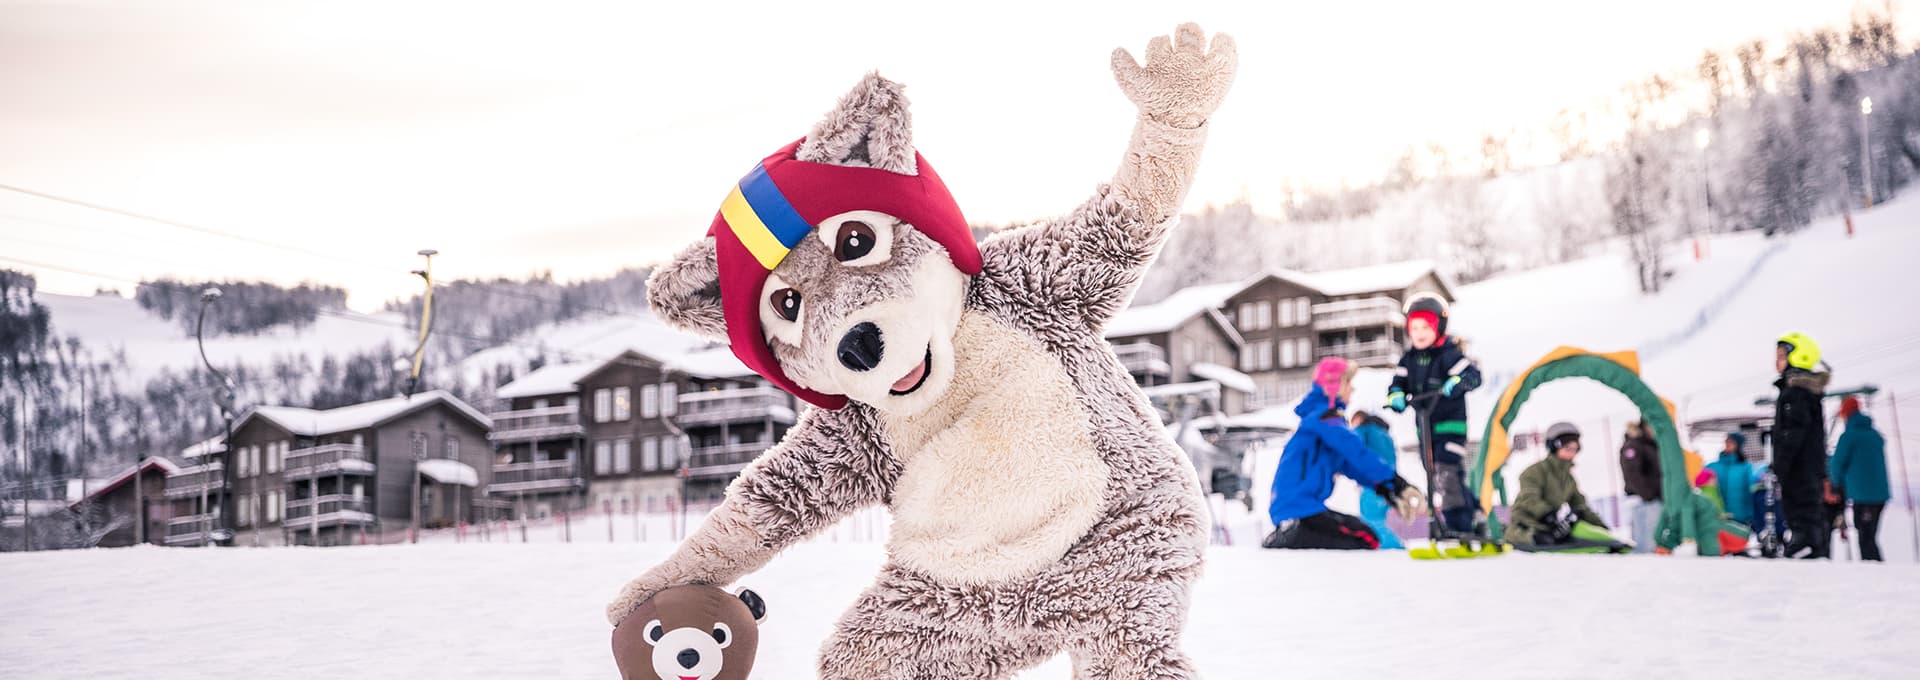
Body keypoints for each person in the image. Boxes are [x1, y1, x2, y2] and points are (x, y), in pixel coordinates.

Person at [1266, 357, 1423, 550]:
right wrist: (1399, 485)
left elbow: (1351, 465)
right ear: (1334, 386)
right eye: (1349, 383)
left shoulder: (1320, 421)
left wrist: (1387, 489)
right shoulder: (1325, 418)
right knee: (1367, 538)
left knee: (1366, 535)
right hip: (1301, 512)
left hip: (1298, 512)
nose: (1352, 389)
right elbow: (1357, 453)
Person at [1387, 293, 1483, 536]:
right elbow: (1398, 383)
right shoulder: (1408, 359)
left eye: (1426, 327)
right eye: (1414, 327)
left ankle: (1459, 525)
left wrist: (1458, 382)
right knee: (1434, 475)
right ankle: (1474, 513)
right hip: (1425, 428)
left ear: (1439, 327)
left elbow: (1473, 375)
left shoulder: (1448, 354)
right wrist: (1396, 396)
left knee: (1446, 473)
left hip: (1450, 427)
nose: (1419, 333)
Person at [1507, 422, 1624, 552]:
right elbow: (1530, 499)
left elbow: (1580, 505)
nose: (1572, 453)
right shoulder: (1535, 472)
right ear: (1554, 447)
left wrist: (1600, 527)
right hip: (1526, 525)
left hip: (1551, 527)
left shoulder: (1568, 479)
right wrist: (1549, 515)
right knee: (1542, 540)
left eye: (1575, 449)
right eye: (1568, 448)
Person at [1772, 332, 1832, 559]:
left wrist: (1780, 463)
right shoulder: (1803, 391)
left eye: (1781, 355)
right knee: (1805, 507)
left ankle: (1806, 543)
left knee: (1801, 505)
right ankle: (1809, 543)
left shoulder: (1795, 393)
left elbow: (1792, 433)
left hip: (1800, 467)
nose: (1776, 361)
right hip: (1808, 466)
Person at [1830, 396, 1890, 562]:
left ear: (1846, 414)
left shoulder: (1849, 437)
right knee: (1870, 536)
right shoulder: (1875, 435)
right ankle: (1877, 570)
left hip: (1863, 496)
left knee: (1865, 538)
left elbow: (1836, 464)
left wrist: (1836, 484)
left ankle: (1875, 573)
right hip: (1881, 495)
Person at [1350, 410, 1406, 549]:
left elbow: (1354, 449)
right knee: (1381, 516)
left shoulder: (1363, 430)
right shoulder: (1385, 435)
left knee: (1370, 517)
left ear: (1360, 420)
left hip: (1373, 481)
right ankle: (1392, 544)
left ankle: (1389, 545)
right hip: (1389, 480)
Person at [1619, 420, 1663, 554]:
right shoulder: (1634, 445)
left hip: (1654, 499)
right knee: (1645, 544)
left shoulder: (1652, 445)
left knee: (1653, 541)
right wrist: (1648, 494)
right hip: (1643, 500)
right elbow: (1632, 473)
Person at [1706, 432, 1760, 527]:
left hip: (1740, 517)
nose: (1727, 443)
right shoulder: (1712, 467)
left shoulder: (1746, 467)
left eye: (1731, 442)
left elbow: (1751, 490)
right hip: (1716, 516)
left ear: (1738, 445)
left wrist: (1750, 515)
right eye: (1727, 441)